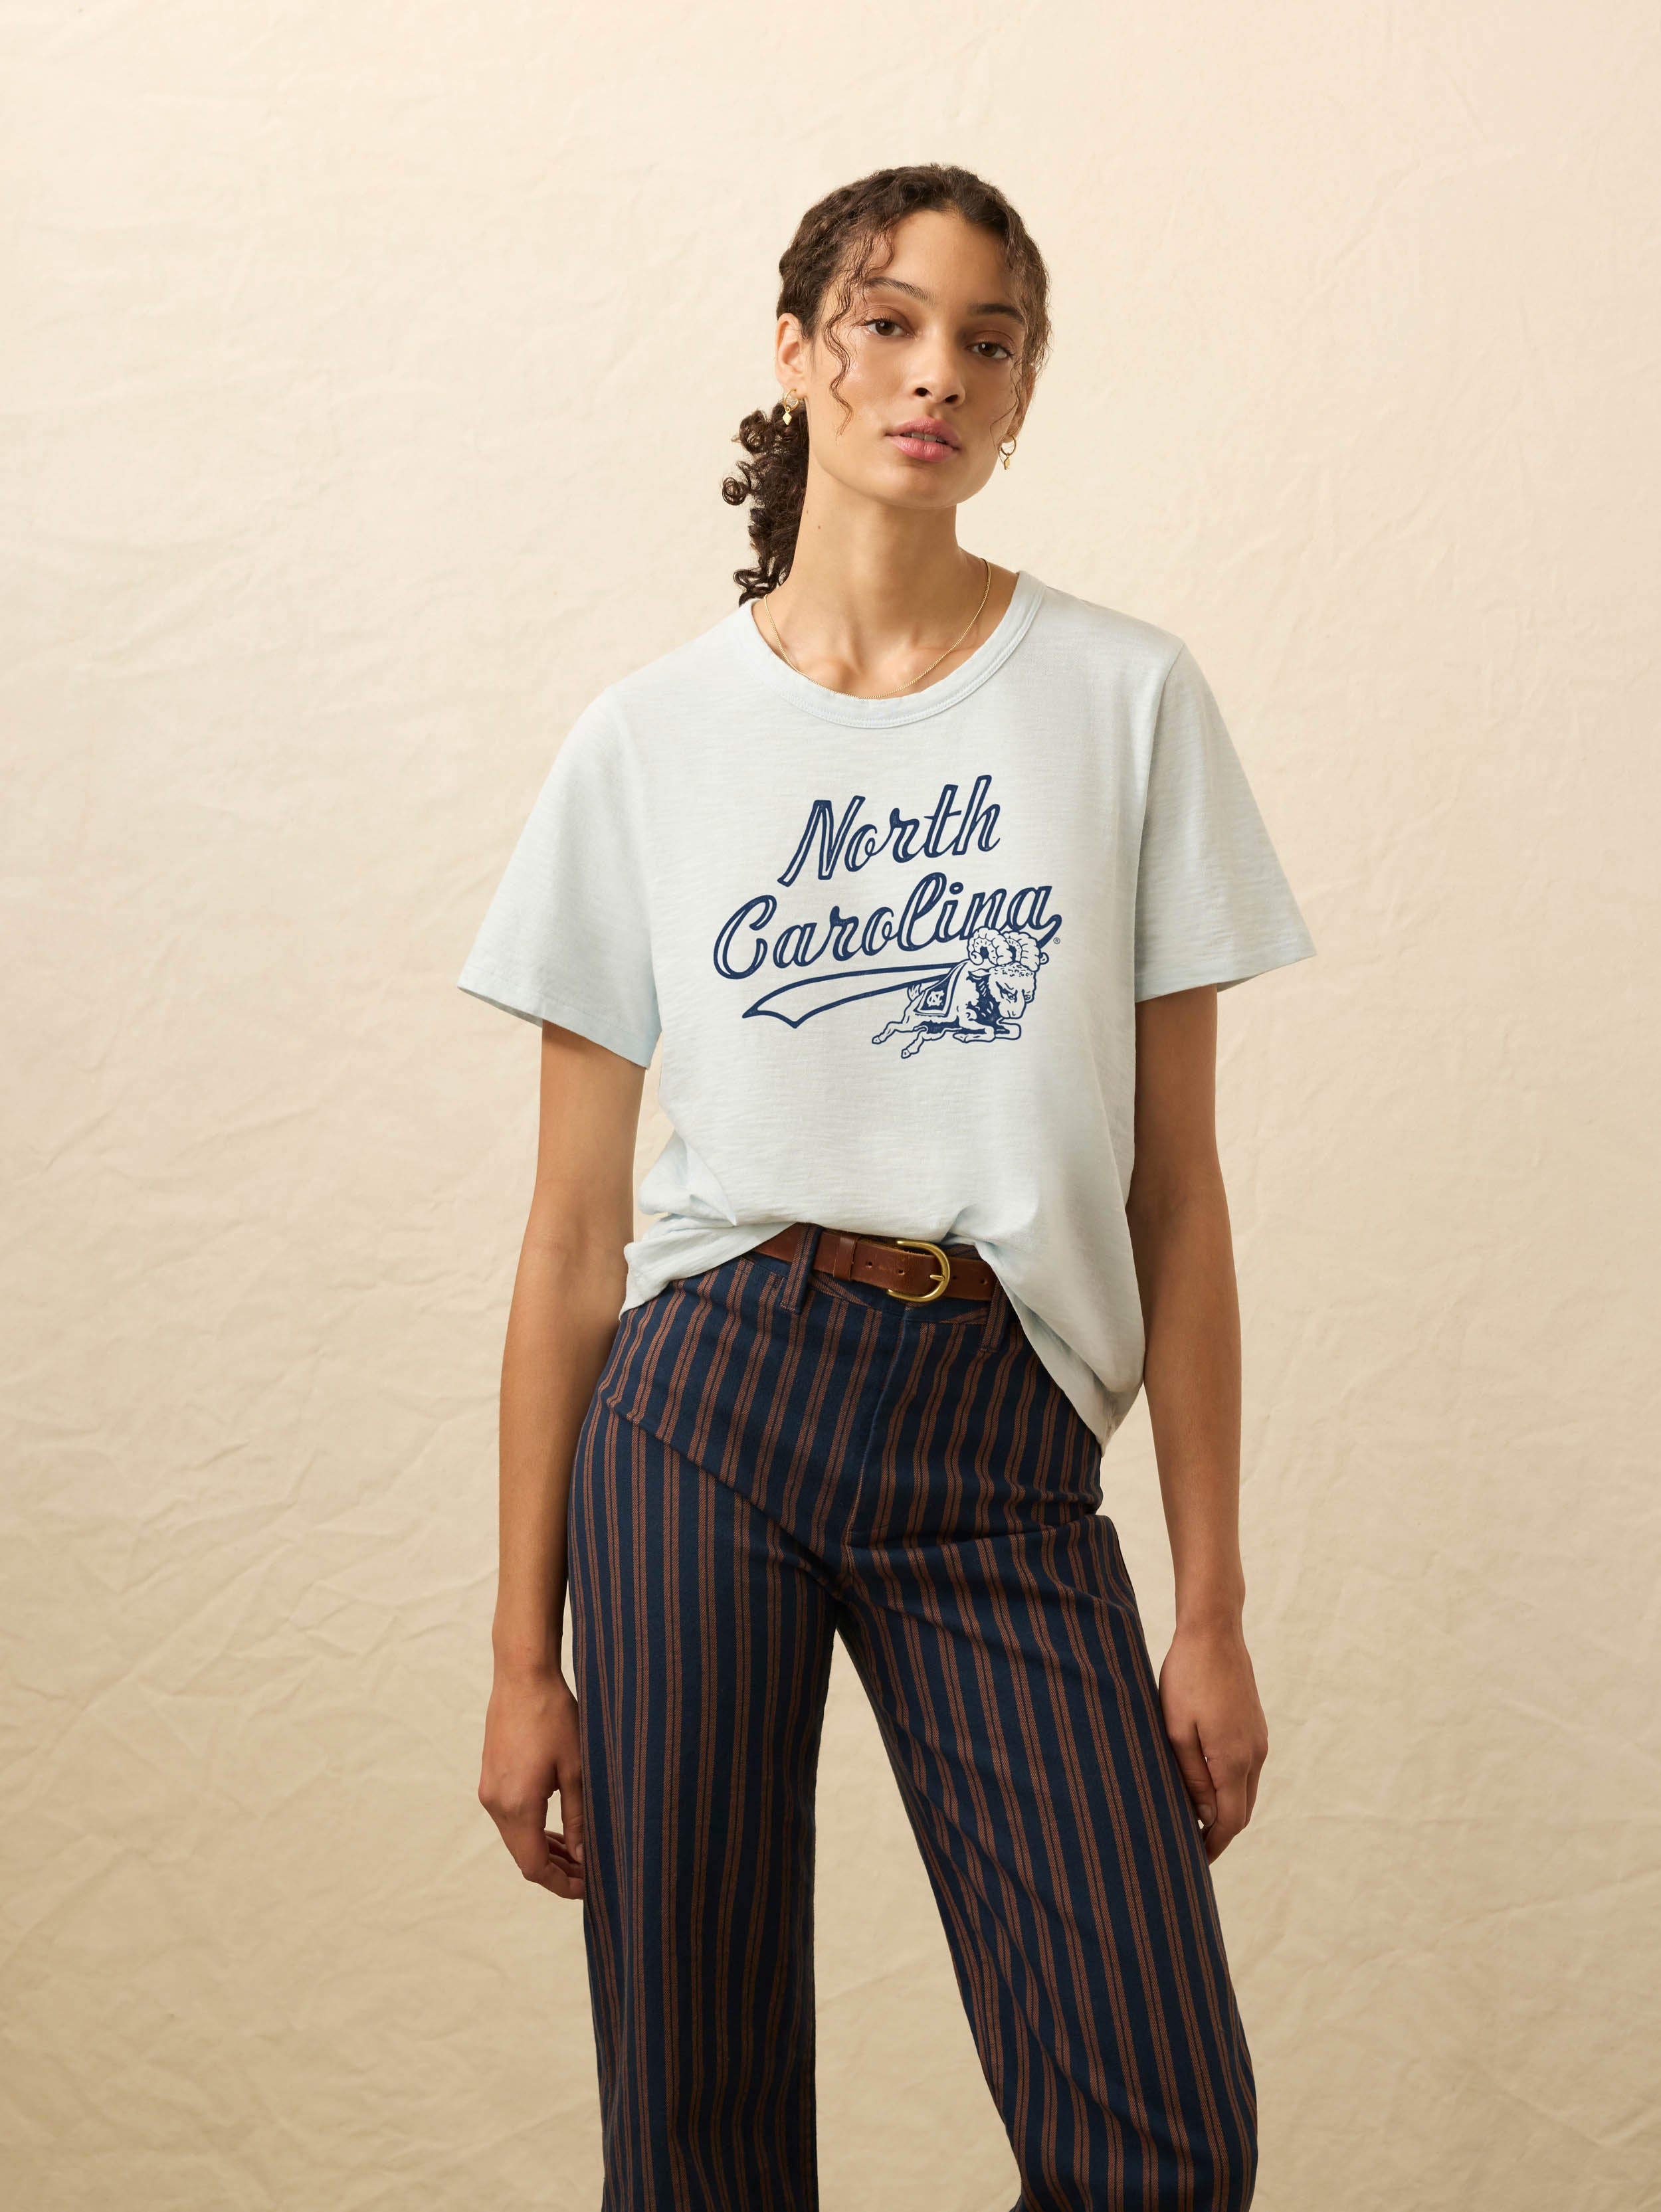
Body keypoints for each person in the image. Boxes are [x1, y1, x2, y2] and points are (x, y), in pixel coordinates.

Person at [460, 162, 1316, 2212]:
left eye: (986, 340)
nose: (934, 372)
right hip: (701, 1414)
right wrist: (518, 1649)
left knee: (1160, 2144)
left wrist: (1205, 1605)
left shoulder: (1122, 701)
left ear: (1022, 391)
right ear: (798, 351)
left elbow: (1174, 1197)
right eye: (886, 320)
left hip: (996, 1421)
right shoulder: (651, 741)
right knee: (700, 2132)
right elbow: (576, 1231)